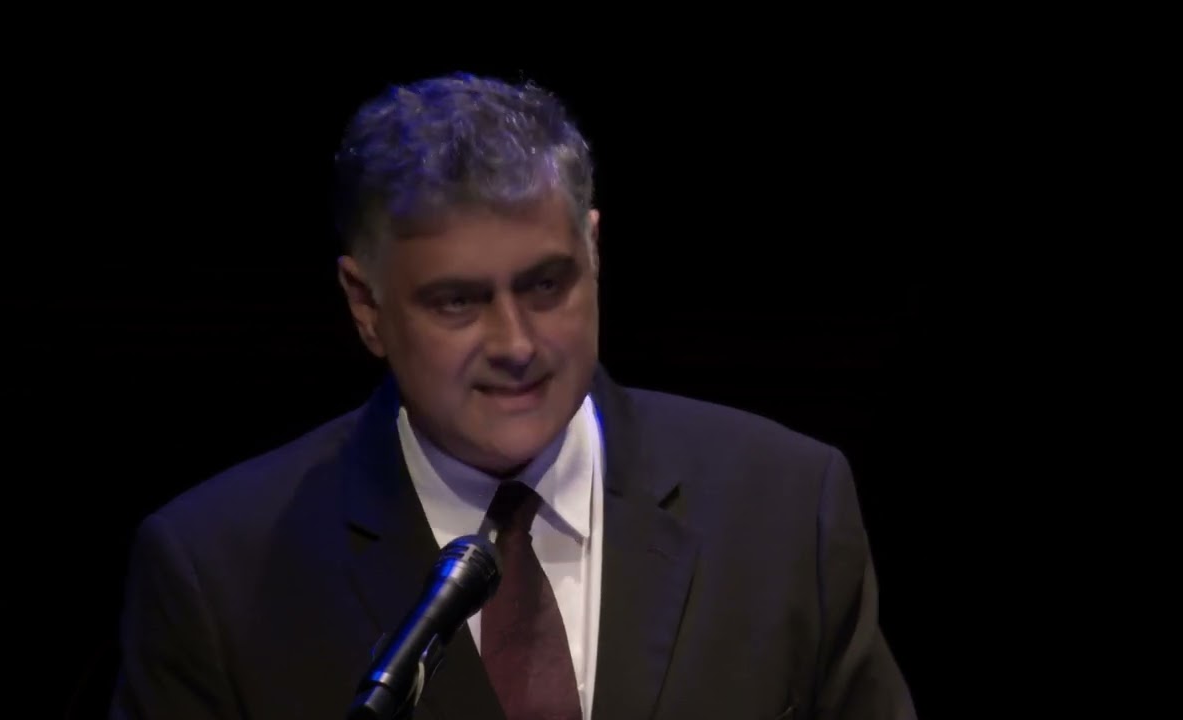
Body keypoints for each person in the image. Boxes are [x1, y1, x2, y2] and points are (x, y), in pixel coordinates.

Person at [109, 72, 918, 720]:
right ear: (366, 306)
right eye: (458, 301)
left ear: (593, 251)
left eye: (546, 283)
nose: (517, 344)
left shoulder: (786, 507)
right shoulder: (217, 574)